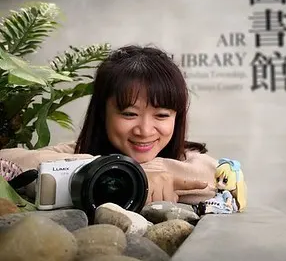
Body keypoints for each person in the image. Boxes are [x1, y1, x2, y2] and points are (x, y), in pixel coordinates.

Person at [0, 45, 217, 205]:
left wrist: (159, 172)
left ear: (176, 118)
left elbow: (217, 175)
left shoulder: (187, 159)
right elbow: (6, 162)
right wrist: (105, 169)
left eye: (161, 115)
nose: (145, 130)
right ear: (103, 113)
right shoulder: (77, 151)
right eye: (129, 114)